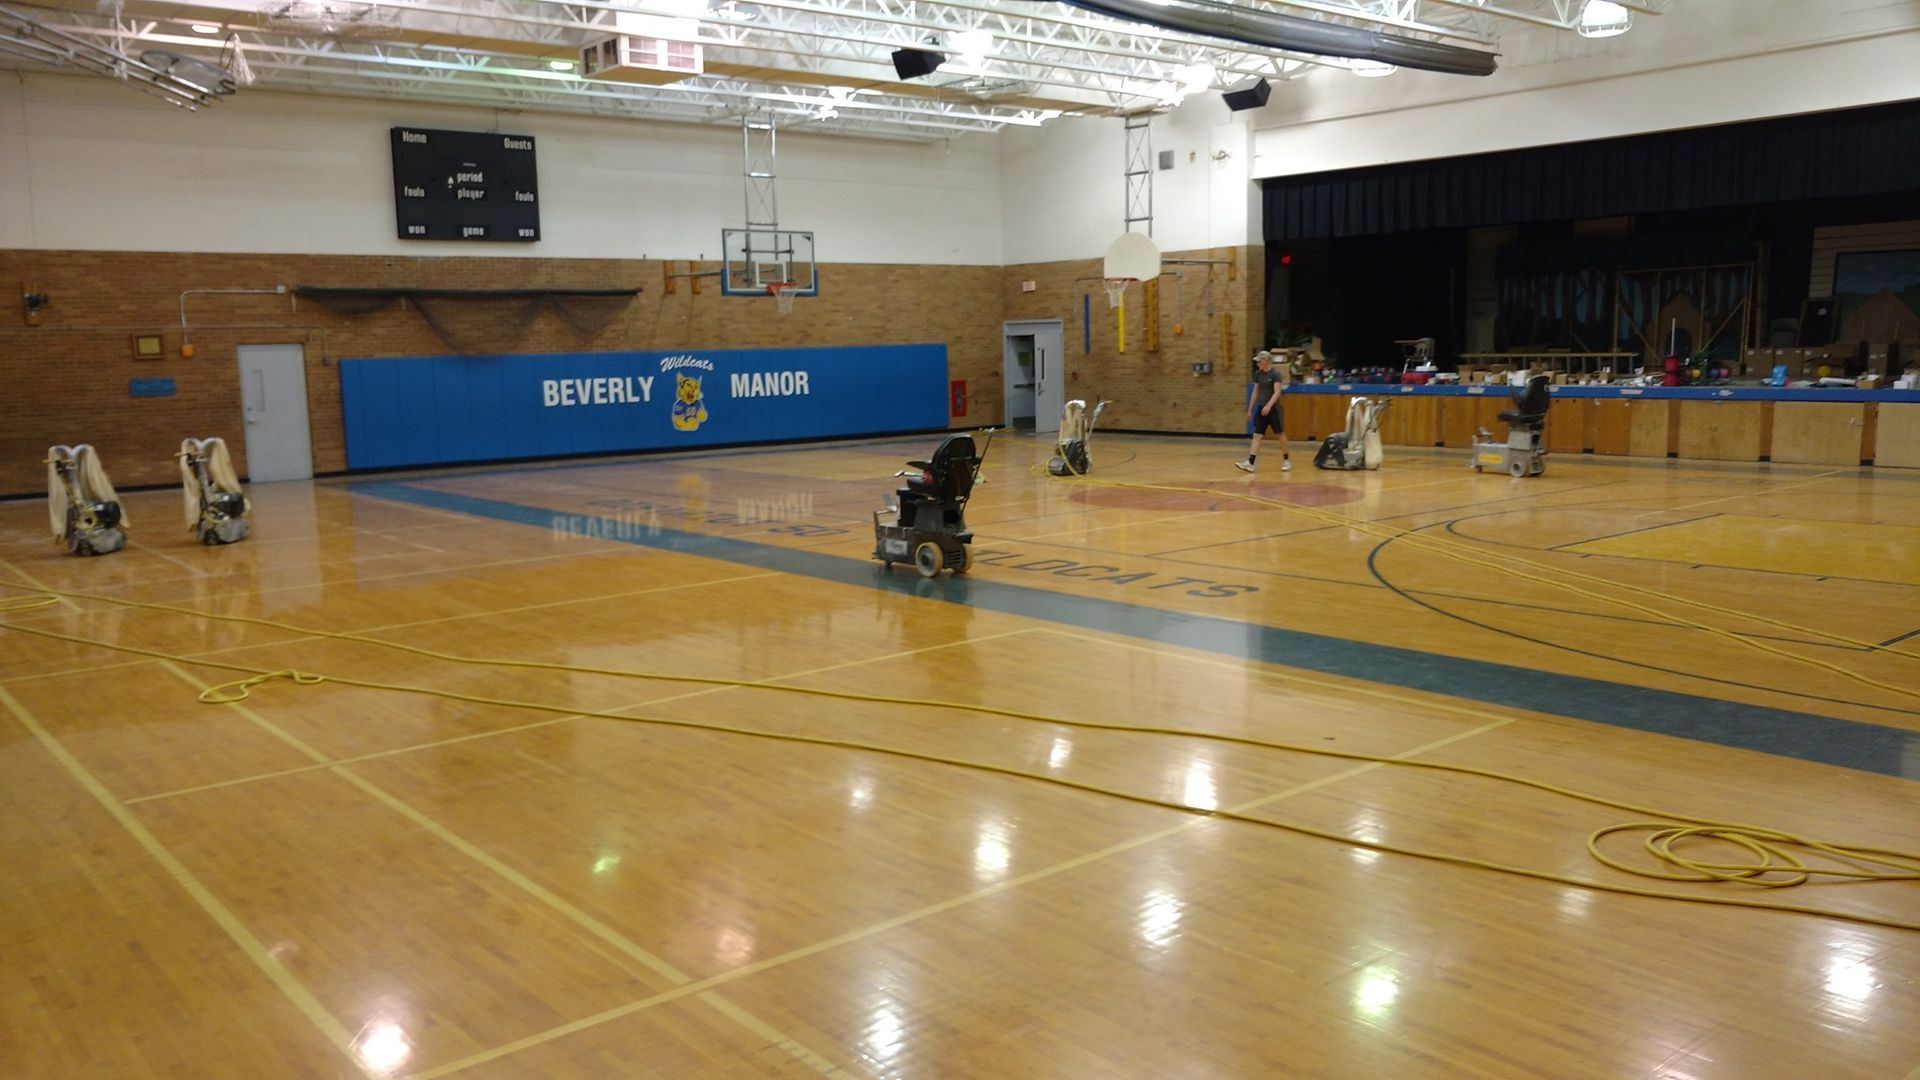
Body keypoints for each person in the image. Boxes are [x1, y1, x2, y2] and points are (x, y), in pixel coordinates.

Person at [1235, 351, 1290, 473]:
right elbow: (1255, 392)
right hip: (1261, 408)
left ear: (1266, 361)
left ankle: (1286, 460)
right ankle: (1251, 462)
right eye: (1257, 361)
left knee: (1279, 434)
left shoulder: (1275, 374)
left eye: (1260, 361)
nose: (1258, 363)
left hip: (1273, 409)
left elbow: (1277, 392)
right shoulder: (1258, 374)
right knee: (1257, 435)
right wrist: (1250, 409)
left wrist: (1269, 406)